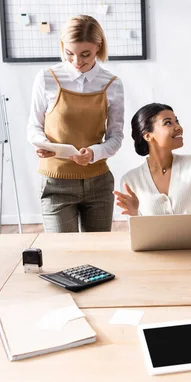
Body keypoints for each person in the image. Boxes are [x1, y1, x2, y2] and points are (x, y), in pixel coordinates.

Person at [27, 15, 124, 233]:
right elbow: (33, 127)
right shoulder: (46, 78)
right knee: (63, 254)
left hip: (98, 182)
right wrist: (42, 144)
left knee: (97, 255)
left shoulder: (112, 84)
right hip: (55, 183)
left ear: (98, 47)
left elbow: (116, 137)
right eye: (69, 53)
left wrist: (93, 152)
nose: (77, 61)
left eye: (85, 54)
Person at [114, 103, 191, 216]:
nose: (179, 127)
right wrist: (134, 215)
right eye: (168, 123)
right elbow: (137, 232)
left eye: (177, 121)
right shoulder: (130, 180)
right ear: (147, 136)